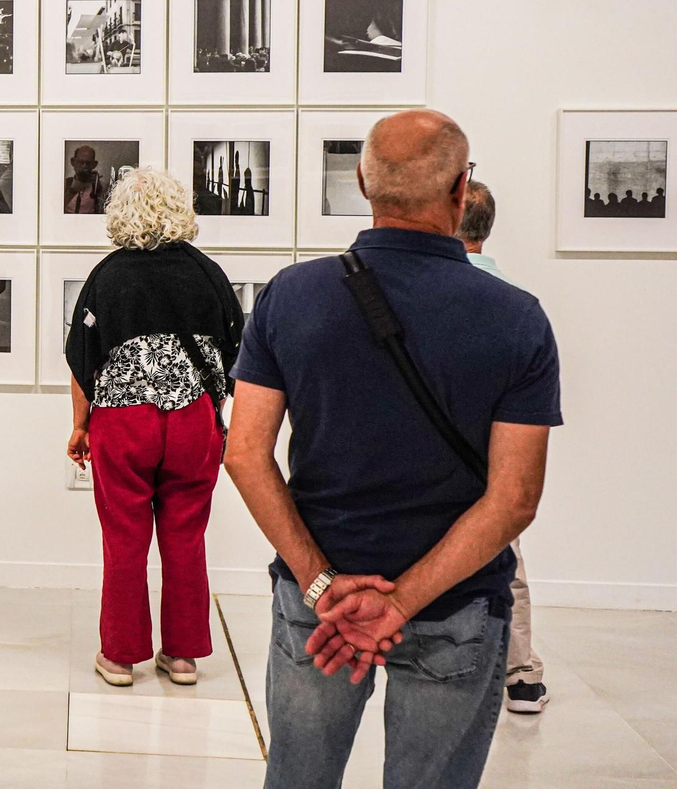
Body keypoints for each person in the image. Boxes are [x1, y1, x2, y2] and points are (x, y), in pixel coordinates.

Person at [223, 110, 561, 788]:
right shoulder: (517, 318)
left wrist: (322, 583)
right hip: (455, 604)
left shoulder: (292, 296)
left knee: (298, 779)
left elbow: (244, 454)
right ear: (462, 192)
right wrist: (399, 603)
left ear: (361, 183)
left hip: (316, 601)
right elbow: (514, 499)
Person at [64, 167, 244, 688]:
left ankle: (120, 657)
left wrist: (80, 426)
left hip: (122, 420)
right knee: (186, 535)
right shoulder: (208, 274)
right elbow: (237, 358)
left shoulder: (108, 276)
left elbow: (82, 361)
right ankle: (183, 657)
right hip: (193, 422)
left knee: (125, 536)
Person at [456, 180, 548, 715]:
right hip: (491, 456)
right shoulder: (514, 303)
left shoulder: (428, 293)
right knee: (506, 561)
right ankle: (521, 673)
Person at [63, 144, 110, 214]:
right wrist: (73, 190)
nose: (84, 166)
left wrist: (98, 189)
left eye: (88, 163)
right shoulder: (64, 184)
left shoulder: (101, 187)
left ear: (94, 164)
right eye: (80, 162)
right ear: (73, 162)